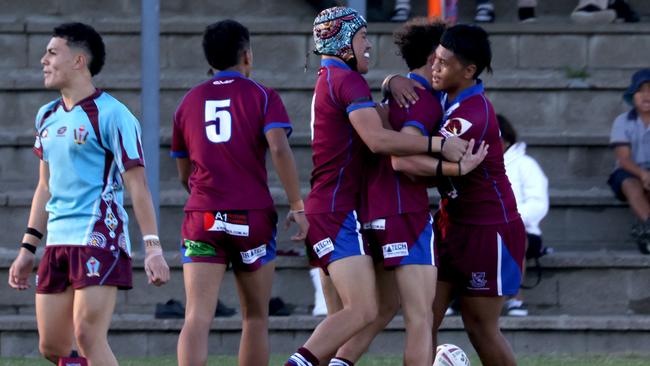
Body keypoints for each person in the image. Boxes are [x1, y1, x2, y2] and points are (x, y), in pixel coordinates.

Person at [284, 7, 483, 366]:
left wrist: (392, 80)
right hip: (367, 210)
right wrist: (450, 159)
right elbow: (389, 150)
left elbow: (377, 122)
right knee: (408, 317)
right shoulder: (373, 87)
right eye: (361, 38)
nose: (368, 47)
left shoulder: (341, 79)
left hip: (353, 209)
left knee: (374, 310)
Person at [7, 22, 170, 366]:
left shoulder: (114, 114)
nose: (43, 61)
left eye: (52, 53)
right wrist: (27, 248)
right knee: (53, 347)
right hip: (56, 239)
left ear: (79, 61)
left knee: (87, 336)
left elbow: (137, 184)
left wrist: (152, 247)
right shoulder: (46, 116)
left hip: (100, 236)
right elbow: (44, 186)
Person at [171, 19, 309, 366]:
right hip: (251, 216)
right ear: (247, 55)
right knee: (255, 318)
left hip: (203, 215)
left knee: (197, 317)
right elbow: (279, 149)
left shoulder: (188, 102)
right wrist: (297, 204)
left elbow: (184, 172)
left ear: (209, 61)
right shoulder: (262, 95)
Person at [388, 24, 525, 366]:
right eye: (434, 59)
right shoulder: (446, 94)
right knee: (424, 319)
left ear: (469, 71)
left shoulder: (470, 114)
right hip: (451, 222)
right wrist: (392, 80)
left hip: (488, 229)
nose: (435, 67)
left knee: (480, 327)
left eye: (445, 63)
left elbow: (405, 162)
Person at [498, 114, 549, 316]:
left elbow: (539, 203)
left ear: (506, 139)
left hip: (523, 229)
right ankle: (459, 297)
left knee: (515, 237)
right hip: (483, 228)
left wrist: (509, 220)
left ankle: (515, 297)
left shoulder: (526, 164)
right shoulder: (474, 164)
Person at [608, 68, 650, 255]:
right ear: (633, 95)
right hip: (629, 171)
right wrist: (643, 174)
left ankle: (645, 232)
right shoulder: (622, 121)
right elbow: (623, 158)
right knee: (632, 185)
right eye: (641, 90)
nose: (646, 95)